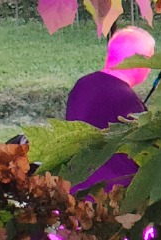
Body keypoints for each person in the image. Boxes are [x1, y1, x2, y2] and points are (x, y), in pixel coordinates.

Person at [64, 27, 155, 193]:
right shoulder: (125, 98)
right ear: (139, 61)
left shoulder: (83, 84)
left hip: (77, 186)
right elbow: (145, 149)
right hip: (112, 194)